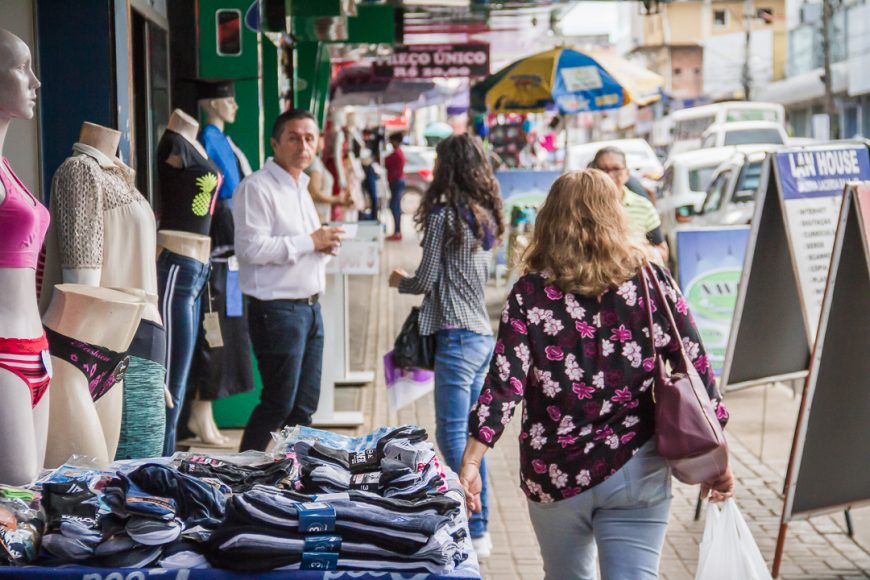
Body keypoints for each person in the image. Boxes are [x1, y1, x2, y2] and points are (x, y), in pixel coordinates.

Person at [457, 170, 733, 580]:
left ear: (550, 219)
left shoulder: (530, 293)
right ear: (616, 216)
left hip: (554, 470)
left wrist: (472, 460)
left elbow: (505, 381)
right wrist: (717, 457)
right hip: (636, 464)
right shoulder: (650, 280)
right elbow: (694, 363)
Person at [388, 134, 505, 557]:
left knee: (453, 435)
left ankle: (473, 525)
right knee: (473, 438)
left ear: (446, 168)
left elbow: (424, 279)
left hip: (455, 338)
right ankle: (480, 525)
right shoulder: (486, 216)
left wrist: (399, 280)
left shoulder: (443, 217)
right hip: (481, 338)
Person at [233, 109, 344, 452]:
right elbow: (251, 248)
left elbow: (300, 243)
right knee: (278, 404)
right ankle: (241, 474)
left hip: (310, 309)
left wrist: (323, 244)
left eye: (310, 138)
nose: (303, 145)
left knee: (304, 407)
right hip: (276, 310)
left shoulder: (301, 187)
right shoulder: (257, 188)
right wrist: (311, 241)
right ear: (275, 143)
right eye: (294, 137)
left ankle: (286, 477)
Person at [591, 146, 669, 263]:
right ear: (594, 173)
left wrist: (638, 251)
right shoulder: (586, 207)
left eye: (616, 169)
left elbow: (663, 253)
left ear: (627, 173)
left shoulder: (643, 206)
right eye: (604, 170)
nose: (610, 175)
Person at [305, 134, 339, 224]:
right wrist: (337, 200)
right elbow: (314, 193)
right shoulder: (314, 162)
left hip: (320, 215)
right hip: (316, 215)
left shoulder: (316, 161)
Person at [385, 132, 406, 241]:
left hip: (397, 182)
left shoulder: (396, 154)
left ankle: (397, 232)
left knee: (395, 207)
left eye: (392, 141)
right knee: (395, 207)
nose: (391, 143)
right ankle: (397, 231)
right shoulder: (399, 153)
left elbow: (385, 161)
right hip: (398, 182)